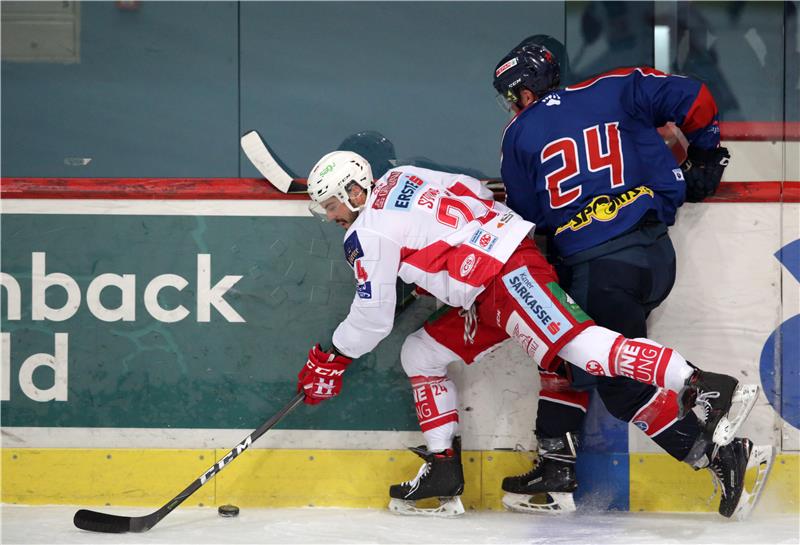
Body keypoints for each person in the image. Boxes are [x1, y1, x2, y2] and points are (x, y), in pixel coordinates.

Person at [294, 150, 759, 518]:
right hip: (488, 283)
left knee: (581, 348)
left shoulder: (367, 234)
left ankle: (699, 384)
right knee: (421, 353)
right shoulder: (402, 177)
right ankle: (442, 468)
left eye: (333, 204)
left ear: (355, 190)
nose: (332, 215)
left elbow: (372, 317)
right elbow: (474, 190)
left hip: (504, 277)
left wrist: (330, 356)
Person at [491, 38, 771, 519]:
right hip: (656, 256)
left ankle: (706, 402)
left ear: (525, 89)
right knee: (596, 369)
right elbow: (698, 99)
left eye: (511, 94)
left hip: (600, 269)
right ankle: (710, 448)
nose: (512, 105)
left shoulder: (518, 134)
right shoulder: (617, 86)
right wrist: (705, 159)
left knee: (613, 380)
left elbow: (526, 218)